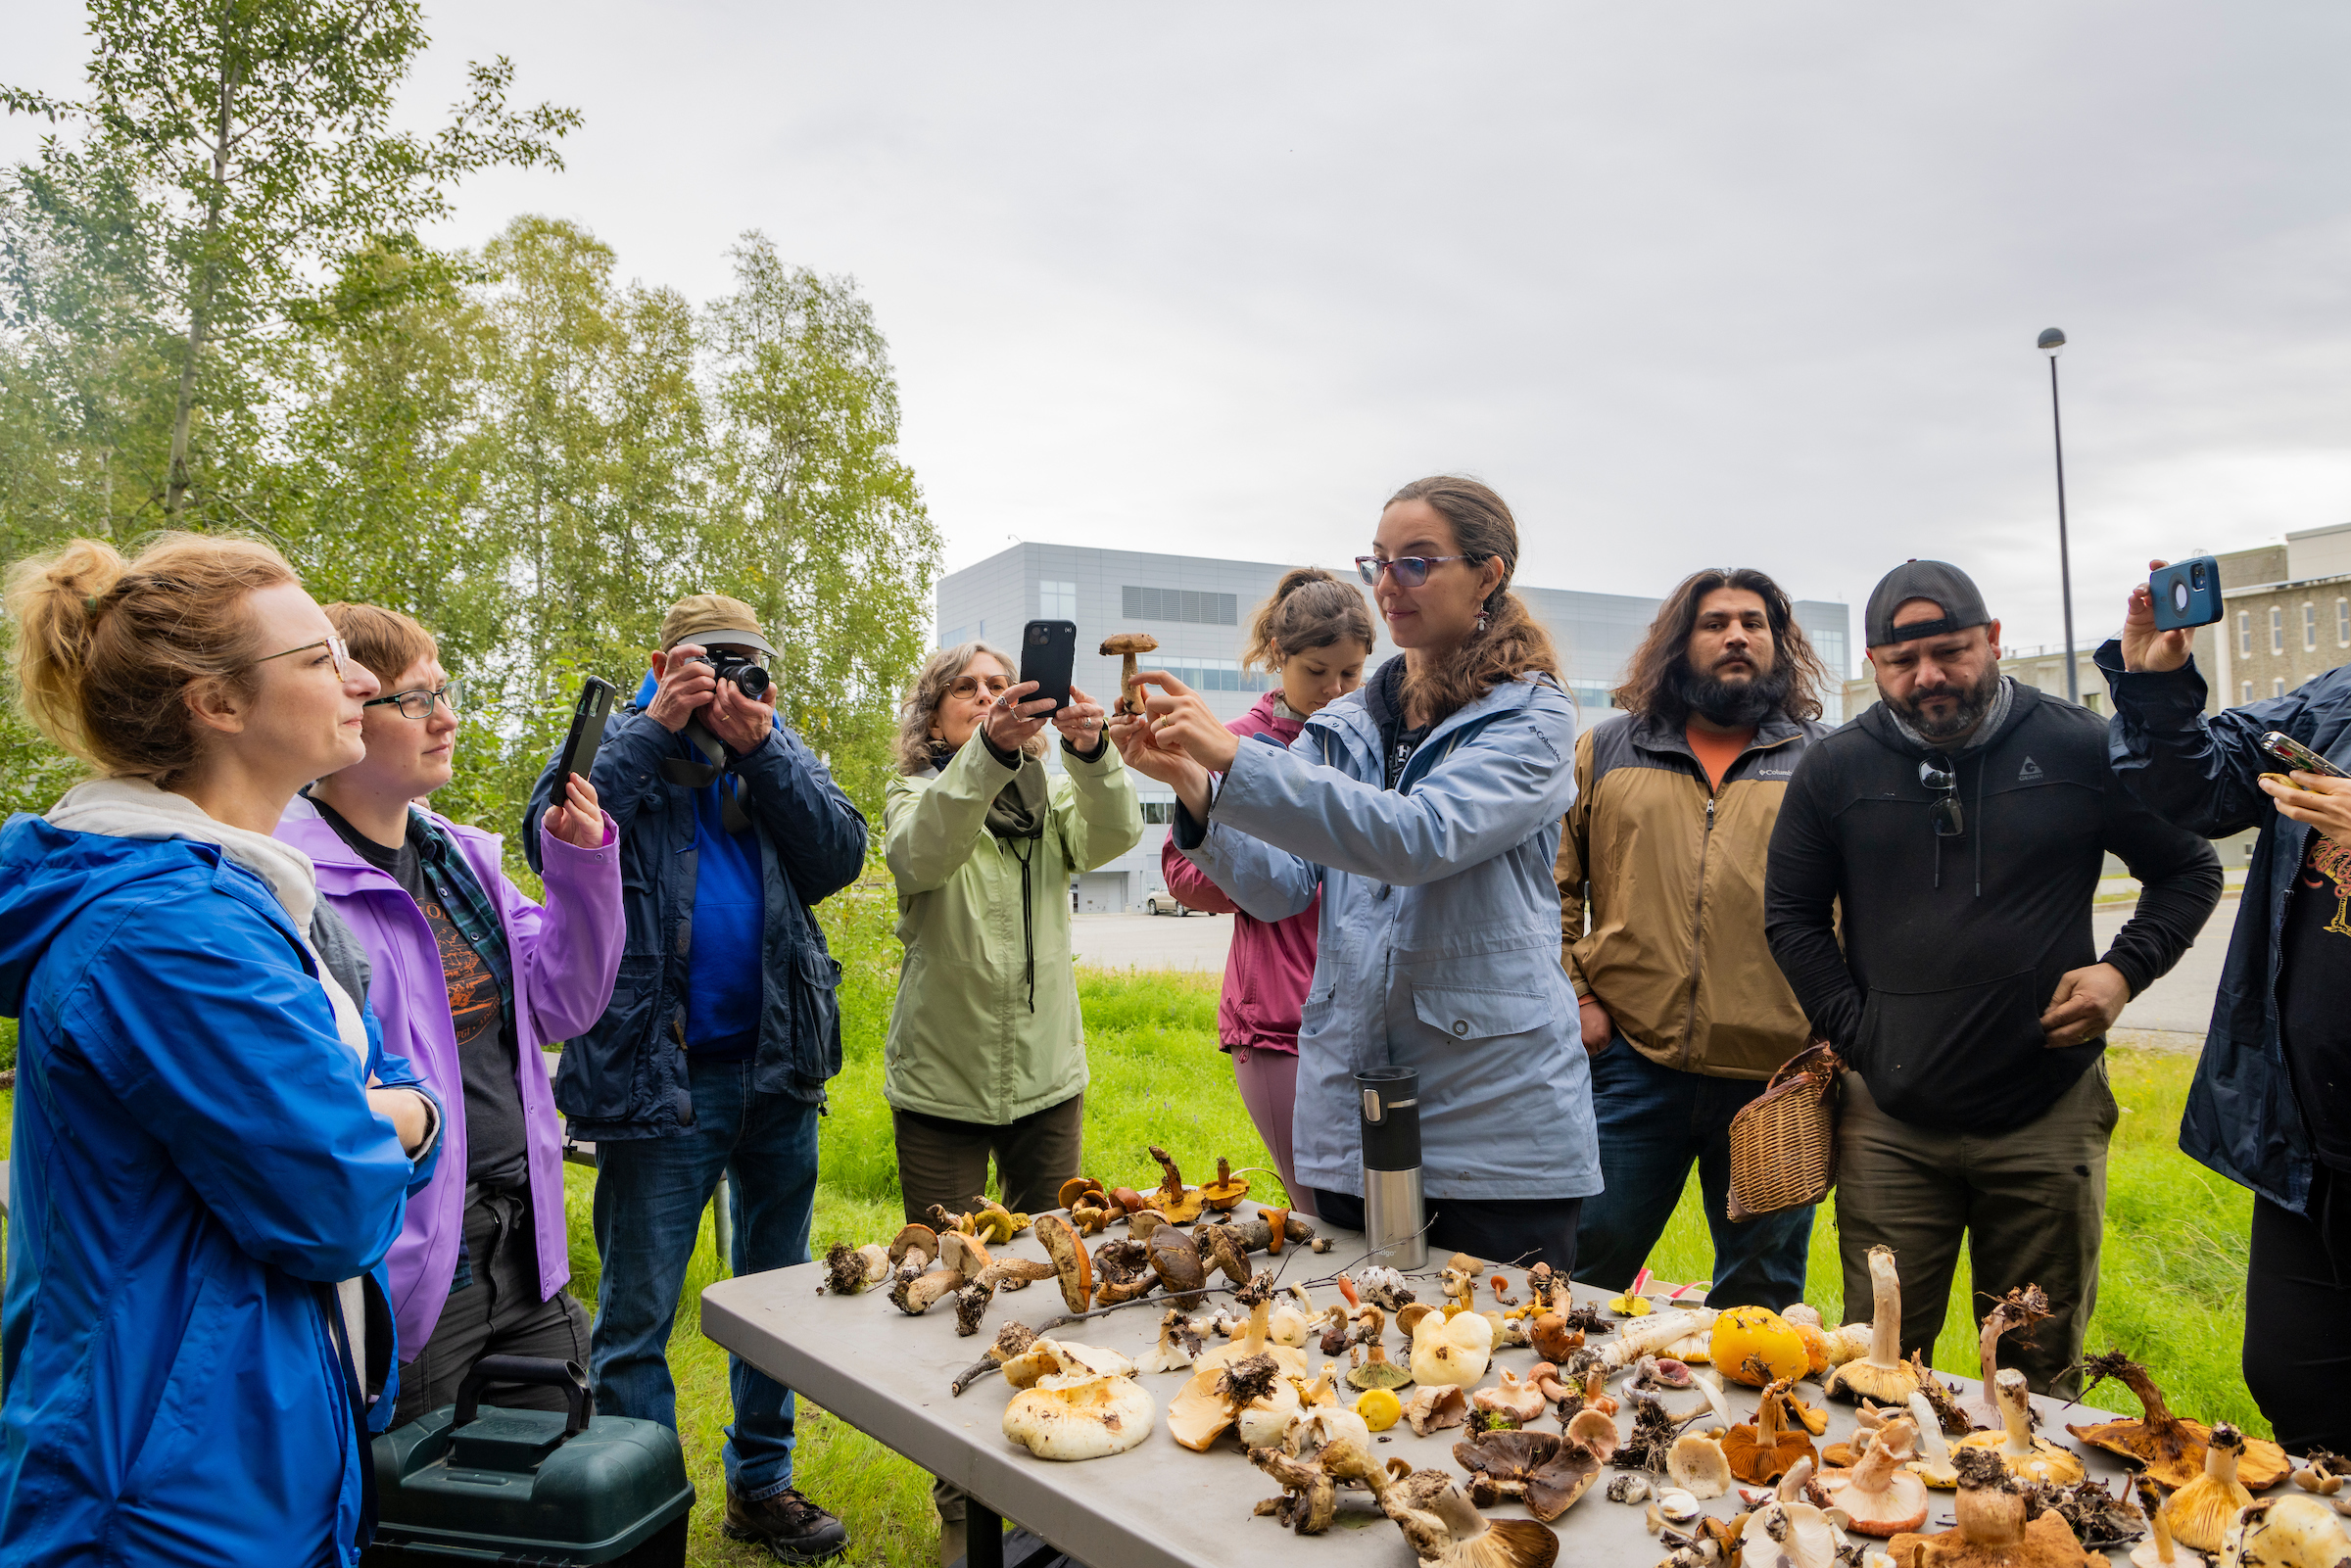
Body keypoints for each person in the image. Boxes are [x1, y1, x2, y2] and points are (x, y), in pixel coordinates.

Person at [0, 534, 440, 1567]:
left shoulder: (245, 902)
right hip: (161, 1491)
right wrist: (392, 1118)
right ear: (218, 704)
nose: (362, 677)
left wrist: (373, 1108)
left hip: (238, 1440)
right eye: (322, 656)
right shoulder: (169, 933)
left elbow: (386, 1088)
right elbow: (336, 1202)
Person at [1764, 559, 2220, 1396]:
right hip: (1890, 1124)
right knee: (1882, 1361)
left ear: (1994, 639)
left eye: (1951, 651)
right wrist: (1860, 1034)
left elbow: (2189, 870)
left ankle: (2031, 1520)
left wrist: (2122, 973)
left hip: (2046, 1114)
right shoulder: (1836, 770)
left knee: (2036, 1365)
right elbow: (1790, 916)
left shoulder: (2080, 745)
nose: (1929, 676)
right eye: (1902, 662)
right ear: (1874, 663)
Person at [1117, 475, 1596, 1268]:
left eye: (1417, 562)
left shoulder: (1532, 717)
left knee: (1491, 1374)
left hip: (1495, 1131)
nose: (1386, 584)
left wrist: (1237, 756)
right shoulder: (1348, 724)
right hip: (1352, 1113)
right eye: (1378, 560)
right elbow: (1277, 887)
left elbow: (1417, 838)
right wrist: (1193, 783)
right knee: (1348, 1360)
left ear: (1489, 573)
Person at [524, 594, 866, 1564]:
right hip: (654, 1072)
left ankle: (761, 1483)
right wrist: (655, 724)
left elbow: (839, 854)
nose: (728, 678)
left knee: (774, 1295)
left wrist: (764, 747)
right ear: (661, 659)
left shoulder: (773, 744)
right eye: (707, 661)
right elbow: (547, 827)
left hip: (778, 1067)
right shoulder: (623, 741)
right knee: (638, 1311)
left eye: (746, 662)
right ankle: (646, 1514)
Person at [278, 602, 625, 1425]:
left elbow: (563, 1004)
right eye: (416, 699)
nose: (448, 717)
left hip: (527, 1238)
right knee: (433, 1499)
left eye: (445, 690)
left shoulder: (460, 858)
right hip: (414, 1260)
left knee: (549, 1482)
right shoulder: (293, 880)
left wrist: (581, 869)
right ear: (346, 710)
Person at [2099, 559, 2351, 1450]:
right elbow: (2198, 787)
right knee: (2293, 1377)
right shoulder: (2338, 704)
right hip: (2308, 1145)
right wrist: (2159, 682)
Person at [1560, 568, 1835, 1310]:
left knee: (1761, 1292)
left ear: (1779, 644)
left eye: (1754, 622)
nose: (1736, 634)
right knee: (1587, 1261)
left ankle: (1747, 1429)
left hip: (1775, 1073)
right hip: (1631, 1062)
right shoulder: (1608, 750)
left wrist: (1831, 1033)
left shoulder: (1824, 761)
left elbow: (1863, 906)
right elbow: (1551, 887)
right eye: (1714, 622)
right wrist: (1577, 994)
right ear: (1678, 644)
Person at [884, 644, 1139, 1224]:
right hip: (941, 1078)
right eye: (966, 688)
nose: (986, 695)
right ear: (931, 717)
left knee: (1052, 1257)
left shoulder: (1048, 794)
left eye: (999, 684)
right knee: (945, 1260)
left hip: (1046, 1073)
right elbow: (920, 855)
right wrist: (989, 752)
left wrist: (1093, 752)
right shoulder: (914, 793)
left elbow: (1114, 834)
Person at [1158, 569, 1375, 1218]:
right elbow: (1183, 874)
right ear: (1277, 659)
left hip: (1368, 1018)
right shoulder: (1234, 745)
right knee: (1322, 1214)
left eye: (1351, 674)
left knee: (1383, 1214)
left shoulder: (1369, 744)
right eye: (1317, 672)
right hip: (1280, 1021)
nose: (1336, 691)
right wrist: (1268, 873)